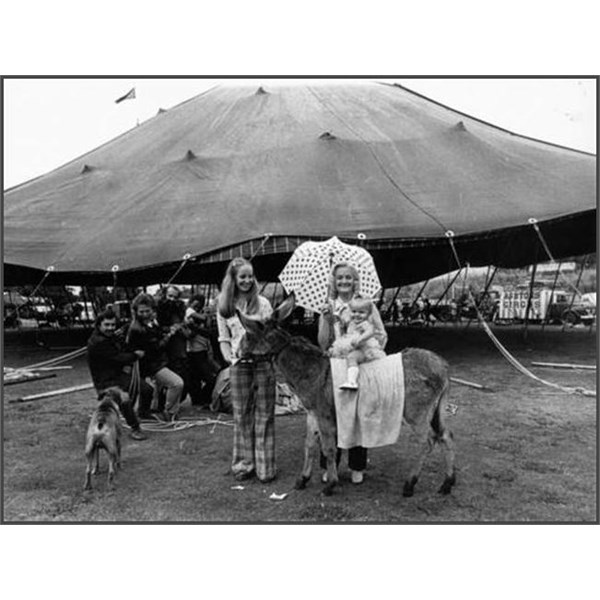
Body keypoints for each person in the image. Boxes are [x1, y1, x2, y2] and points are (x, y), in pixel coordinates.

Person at [317, 262, 388, 484]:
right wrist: (327, 321)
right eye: (340, 278)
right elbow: (321, 343)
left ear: (354, 280)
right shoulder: (328, 305)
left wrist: (365, 348)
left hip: (360, 363)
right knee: (332, 414)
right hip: (335, 363)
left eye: (348, 277)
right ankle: (330, 464)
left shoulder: (364, 303)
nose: (344, 281)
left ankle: (357, 465)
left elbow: (381, 332)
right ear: (334, 282)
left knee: (358, 414)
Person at [216, 257, 276, 483]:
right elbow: (223, 339)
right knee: (241, 415)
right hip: (239, 366)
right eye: (243, 277)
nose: (247, 281)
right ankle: (244, 464)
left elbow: (270, 335)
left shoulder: (263, 303)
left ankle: (265, 466)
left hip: (263, 364)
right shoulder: (224, 305)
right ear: (233, 279)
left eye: (250, 276)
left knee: (265, 414)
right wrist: (229, 359)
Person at [86, 307, 149, 440]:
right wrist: (134, 355)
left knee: (147, 389)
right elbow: (117, 357)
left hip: (118, 375)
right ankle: (135, 428)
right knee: (124, 399)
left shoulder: (110, 336)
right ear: (99, 325)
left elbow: (122, 347)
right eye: (107, 325)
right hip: (105, 381)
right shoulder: (98, 342)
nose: (110, 328)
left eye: (113, 324)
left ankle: (143, 413)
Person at [127, 293, 184, 422]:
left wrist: (168, 329)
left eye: (148, 311)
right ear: (135, 312)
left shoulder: (149, 323)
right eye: (142, 311)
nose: (145, 314)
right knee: (177, 383)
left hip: (154, 363)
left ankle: (168, 411)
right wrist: (170, 334)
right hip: (147, 365)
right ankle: (168, 411)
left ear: (153, 310)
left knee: (154, 389)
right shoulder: (137, 328)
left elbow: (157, 333)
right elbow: (156, 347)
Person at [330, 296, 386, 390]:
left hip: (364, 349)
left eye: (361, 312)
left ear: (368, 314)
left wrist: (360, 338)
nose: (357, 315)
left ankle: (352, 381)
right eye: (354, 311)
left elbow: (370, 331)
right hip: (354, 347)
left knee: (352, 357)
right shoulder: (351, 324)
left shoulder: (365, 324)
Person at [156, 285, 190, 406]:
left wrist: (181, 329)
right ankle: (164, 405)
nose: (172, 300)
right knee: (168, 380)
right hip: (165, 350)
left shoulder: (180, 310)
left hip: (179, 350)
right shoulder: (160, 310)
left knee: (181, 377)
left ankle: (173, 404)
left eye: (175, 297)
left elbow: (187, 332)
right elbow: (157, 329)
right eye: (170, 296)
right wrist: (169, 329)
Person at [185, 293, 219, 407]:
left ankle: (201, 399)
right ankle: (199, 400)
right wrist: (204, 318)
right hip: (194, 352)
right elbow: (191, 334)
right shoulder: (189, 313)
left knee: (203, 378)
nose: (197, 307)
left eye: (199, 305)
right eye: (195, 305)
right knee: (202, 378)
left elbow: (209, 330)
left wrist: (207, 316)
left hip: (203, 351)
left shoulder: (198, 317)